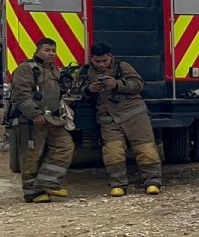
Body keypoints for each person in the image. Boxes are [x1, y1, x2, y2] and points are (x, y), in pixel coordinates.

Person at [77, 44, 162, 197]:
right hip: (108, 118)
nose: (102, 64)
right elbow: (76, 91)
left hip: (134, 114)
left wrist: (117, 84)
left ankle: (153, 182)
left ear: (110, 56)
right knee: (113, 151)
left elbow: (138, 85)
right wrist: (89, 90)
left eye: (105, 60)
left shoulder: (122, 67)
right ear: (91, 59)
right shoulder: (85, 72)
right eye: (97, 61)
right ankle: (118, 184)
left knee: (145, 148)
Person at [9, 38, 74, 203]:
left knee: (65, 146)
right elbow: (20, 95)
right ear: (37, 51)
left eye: (53, 50)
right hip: (31, 120)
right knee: (31, 155)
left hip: (52, 118)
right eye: (47, 50)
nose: (51, 53)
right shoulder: (26, 69)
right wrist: (34, 113)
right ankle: (32, 193)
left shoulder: (55, 71)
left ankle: (48, 182)